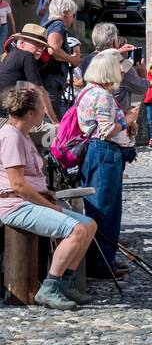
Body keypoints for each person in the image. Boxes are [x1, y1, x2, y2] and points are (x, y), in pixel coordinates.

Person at [0, 86, 98, 309]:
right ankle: (49, 287)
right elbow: (17, 184)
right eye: (41, 108)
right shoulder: (11, 137)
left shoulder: (21, 135)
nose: (45, 112)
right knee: (77, 230)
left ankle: (65, 283)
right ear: (29, 113)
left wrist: (48, 196)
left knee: (89, 225)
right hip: (15, 205)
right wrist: (48, 205)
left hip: (27, 200)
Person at [78, 52, 135, 282]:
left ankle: (102, 261)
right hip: (103, 151)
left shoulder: (86, 92)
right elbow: (106, 130)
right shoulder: (102, 96)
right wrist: (127, 120)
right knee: (106, 210)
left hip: (95, 151)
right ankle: (101, 266)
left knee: (99, 208)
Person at [78, 23, 149, 115]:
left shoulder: (86, 60)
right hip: (114, 116)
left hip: (89, 113)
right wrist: (143, 75)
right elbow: (141, 88)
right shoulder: (121, 64)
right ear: (114, 42)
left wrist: (117, 52)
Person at [0, 25, 58, 122]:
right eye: (37, 44)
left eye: (43, 46)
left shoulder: (12, 54)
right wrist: (55, 121)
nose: (41, 49)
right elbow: (40, 91)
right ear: (22, 43)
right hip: (5, 111)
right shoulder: (27, 56)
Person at [40, 0, 81, 117]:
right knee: (53, 121)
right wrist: (72, 59)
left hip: (45, 78)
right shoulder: (58, 25)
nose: (73, 18)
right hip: (51, 80)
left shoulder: (47, 24)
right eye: (73, 15)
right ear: (66, 12)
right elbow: (53, 49)